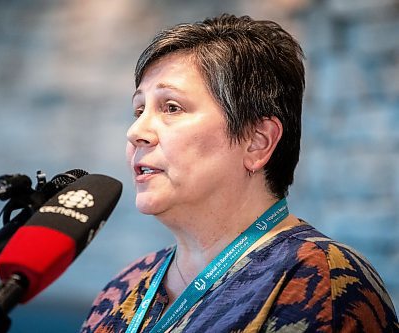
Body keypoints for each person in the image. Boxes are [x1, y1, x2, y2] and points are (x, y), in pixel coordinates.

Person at [81, 14, 398, 332]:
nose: (136, 131)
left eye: (171, 107)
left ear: (257, 142)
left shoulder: (317, 276)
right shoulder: (126, 286)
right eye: (139, 109)